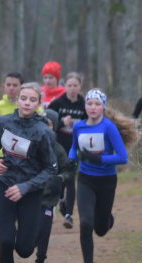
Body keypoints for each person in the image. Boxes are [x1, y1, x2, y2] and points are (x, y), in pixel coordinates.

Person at [0, 82, 57, 263]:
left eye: (32, 100)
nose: (27, 103)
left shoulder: (43, 131)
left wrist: (26, 187)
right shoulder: (3, 122)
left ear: (39, 104)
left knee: (25, 250)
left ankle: (35, 228)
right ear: (16, 100)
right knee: (6, 241)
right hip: (5, 187)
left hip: (30, 193)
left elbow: (50, 168)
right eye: (23, 98)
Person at [69, 89, 137, 263]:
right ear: (85, 106)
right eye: (89, 103)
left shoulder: (108, 127)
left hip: (107, 181)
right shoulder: (79, 127)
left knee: (100, 229)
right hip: (85, 180)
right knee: (86, 223)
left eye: (96, 104)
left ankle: (107, 217)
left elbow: (122, 157)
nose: (92, 107)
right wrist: (71, 161)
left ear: (103, 107)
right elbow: (74, 148)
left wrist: (98, 158)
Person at [32, 109, 77, 263]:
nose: (45, 127)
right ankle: (30, 245)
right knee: (31, 234)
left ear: (55, 127)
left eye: (49, 124)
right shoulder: (31, 146)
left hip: (49, 198)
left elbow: (68, 171)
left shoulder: (58, 150)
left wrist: (60, 179)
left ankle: (40, 261)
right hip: (31, 196)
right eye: (42, 123)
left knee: (44, 230)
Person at [48, 72, 87, 229]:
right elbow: (46, 123)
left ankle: (69, 215)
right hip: (57, 148)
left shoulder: (84, 104)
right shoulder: (57, 103)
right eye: (69, 86)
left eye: (75, 86)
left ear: (80, 87)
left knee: (70, 178)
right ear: (65, 87)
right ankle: (61, 201)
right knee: (58, 178)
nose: (72, 89)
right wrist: (61, 122)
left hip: (75, 148)